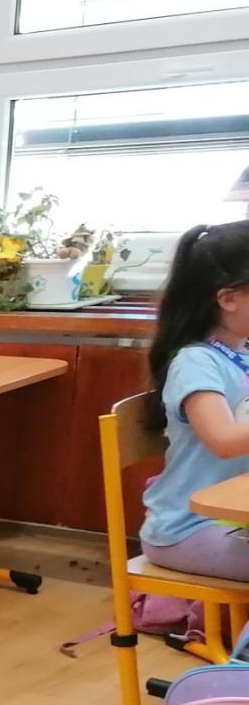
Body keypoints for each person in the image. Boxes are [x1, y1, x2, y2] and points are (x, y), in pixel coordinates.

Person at [140, 220, 249, 580]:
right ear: (229, 299)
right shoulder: (196, 362)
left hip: (234, 517)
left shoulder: (242, 353)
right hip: (189, 528)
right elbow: (224, 440)